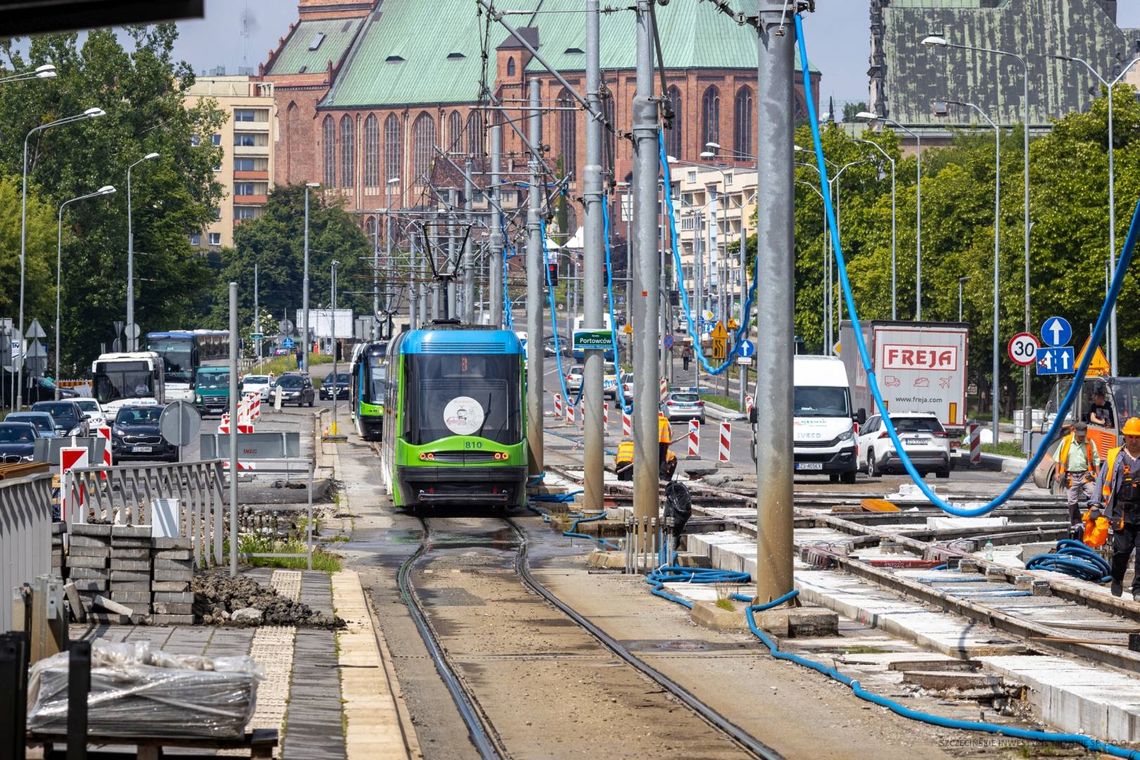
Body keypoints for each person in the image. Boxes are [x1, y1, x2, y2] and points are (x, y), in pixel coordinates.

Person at [1090, 417, 1140, 598]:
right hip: (1121, 512)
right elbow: (1101, 481)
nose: (1134, 441)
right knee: (1122, 551)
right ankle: (1117, 578)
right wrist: (1095, 504)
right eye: (1130, 437)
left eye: (1137, 437)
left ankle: (1137, 588)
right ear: (1125, 437)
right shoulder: (1115, 457)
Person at [1057, 422, 1100, 528]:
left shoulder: (1089, 442)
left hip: (1085, 474)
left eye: (1083, 435)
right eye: (1079, 435)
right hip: (1071, 476)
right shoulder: (1066, 441)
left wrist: (1098, 476)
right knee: (1072, 500)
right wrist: (1057, 473)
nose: (1081, 437)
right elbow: (1057, 459)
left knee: (1093, 492)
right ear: (1074, 431)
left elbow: (1096, 459)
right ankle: (1077, 525)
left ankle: (1093, 518)